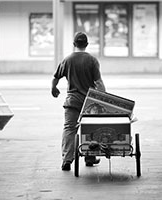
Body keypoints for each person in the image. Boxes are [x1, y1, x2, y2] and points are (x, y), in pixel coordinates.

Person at [51, 32, 106, 171]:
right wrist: (104, 98)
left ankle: (67, 160)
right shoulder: (92, 60)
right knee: (91, 129)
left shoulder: (67, 60)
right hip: (89, 102)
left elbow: (56, 77)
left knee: (69, 129)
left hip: (72, 102)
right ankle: (90, 157)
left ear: (74, 44)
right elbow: (98, 82)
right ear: (86, 45)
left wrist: (54, 88)